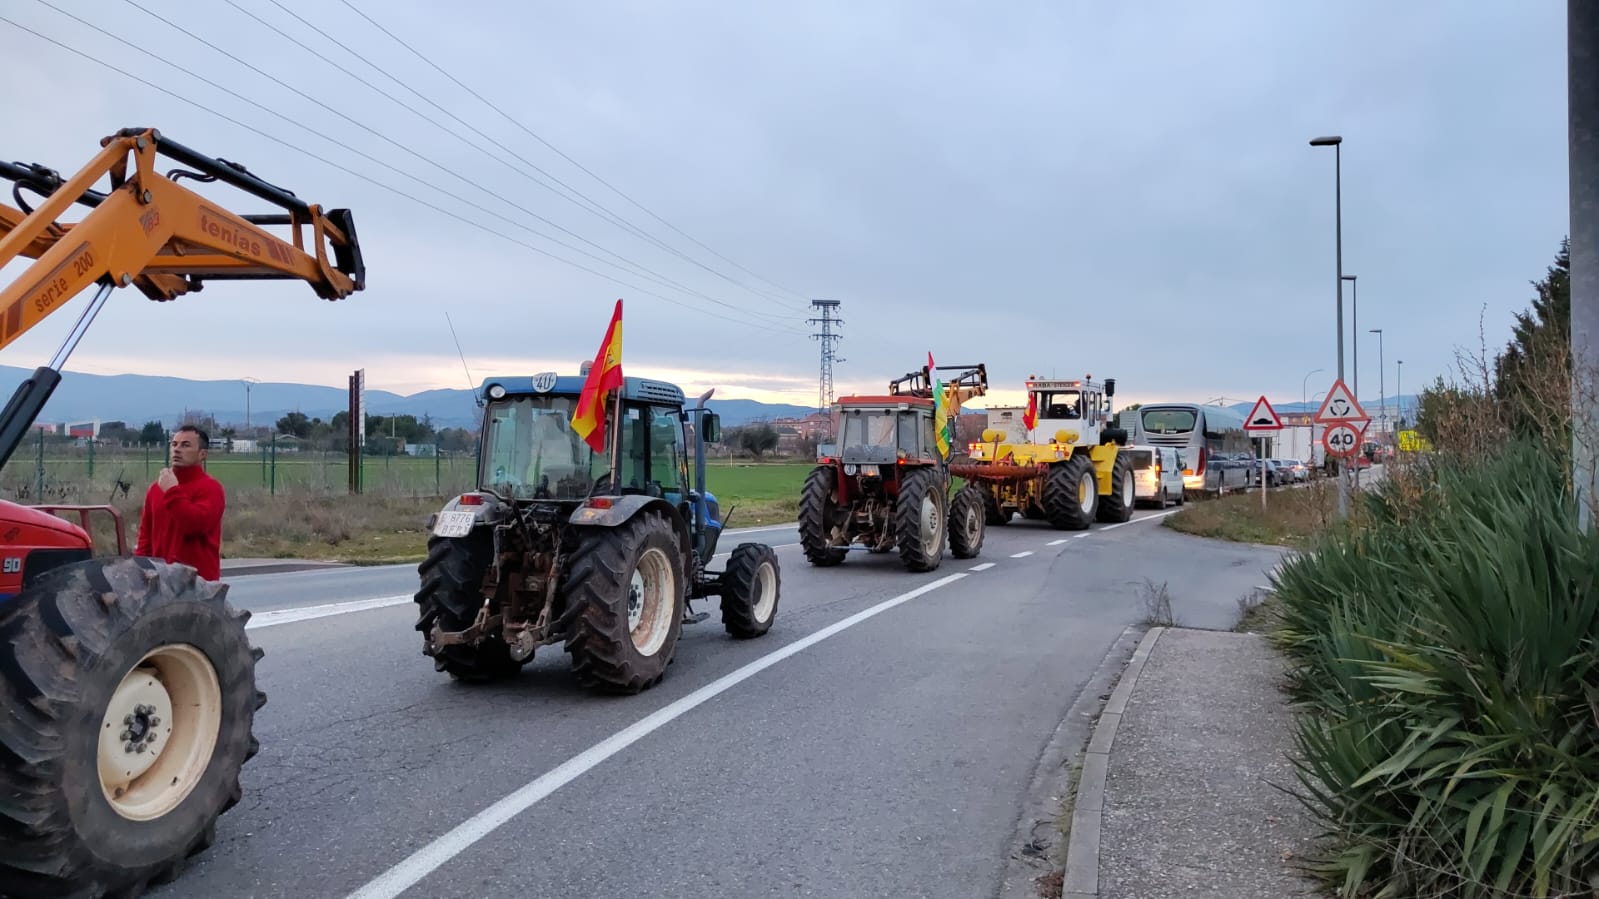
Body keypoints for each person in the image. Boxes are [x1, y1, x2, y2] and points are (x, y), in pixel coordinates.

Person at [134, 424, 226, 581]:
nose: (177, 449)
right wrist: (140, 571)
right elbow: (146, 538)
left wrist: (172, 492)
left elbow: (195, 525)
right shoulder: (156, 489)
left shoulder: (211, 488)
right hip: (161, 581)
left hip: (198, 583)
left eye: (186, 445)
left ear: (202, 454)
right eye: (174, 444)